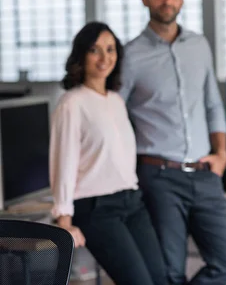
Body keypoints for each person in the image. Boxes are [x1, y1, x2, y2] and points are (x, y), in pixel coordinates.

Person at [119, 0, 226, 285]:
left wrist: (221, 154)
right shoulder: (130, 55)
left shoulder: (199, 45)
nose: (167, 0)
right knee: (169, 272)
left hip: (205, 173)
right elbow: (114, 115)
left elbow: (213, 104)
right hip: (158, 176)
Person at [50, 22, 167, 285]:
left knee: (162, 279)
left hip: (131, 202)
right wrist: (65, 221)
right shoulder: (71, 103)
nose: (105, 58)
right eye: (95, 50)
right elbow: (63, 164)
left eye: (111, 49)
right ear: (81, 55)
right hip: (96, 209)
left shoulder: (115, 100)